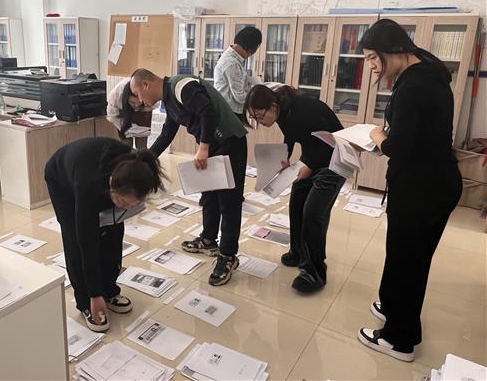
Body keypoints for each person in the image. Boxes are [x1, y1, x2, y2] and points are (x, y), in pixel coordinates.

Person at [357, 19, 463, 362]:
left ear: (393, 50)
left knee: (408, 261)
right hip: (431, 182)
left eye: (373, 58)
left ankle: (399, 340)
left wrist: (378, 137)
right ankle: (393, 307)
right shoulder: (426, 70)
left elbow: (399, 148)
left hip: (422, 189)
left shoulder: (413, 87)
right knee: (405, 256)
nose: (372, 67)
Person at [130, 68, 247, 286]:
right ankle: (208, 240)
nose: (139, 100)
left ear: (146, 84)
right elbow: (167, 133)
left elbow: (207, 112)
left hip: (229, 142)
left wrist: (203, 147)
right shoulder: (169, 100)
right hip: (214, 145)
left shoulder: (182, 86)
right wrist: (144, 159)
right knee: (209, 195)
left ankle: (228, 256)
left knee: (229, 202)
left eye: (138, 93)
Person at [44, 138, 164, 332]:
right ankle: (85, 301)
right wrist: (94, 295)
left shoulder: (133, 169)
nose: (126, 207)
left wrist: (121, 204)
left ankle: (109, 290)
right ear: (111, 186)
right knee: (76, 239)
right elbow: (87, 244)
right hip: (61, 178)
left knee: (113, 232)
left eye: (131, 204)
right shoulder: (89, 187)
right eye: (122, 202)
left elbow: (115, 225)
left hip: (92, 168)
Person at [244, 84, 345, 293]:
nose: (260, 122)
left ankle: (314, 272)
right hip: (314, 157)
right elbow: (290, 134)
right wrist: (285, 158)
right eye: (255, 119)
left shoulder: (303, 109)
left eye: (260, 116)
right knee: (297, 200)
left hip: (336, 160)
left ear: (272, 106)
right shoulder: (282, 110)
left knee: (313, 212)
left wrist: (309, 165)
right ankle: (299, 253)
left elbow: (332, 142)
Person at [214, 26, 263, 119]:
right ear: (249, 48)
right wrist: (259, 99)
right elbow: (240, 97)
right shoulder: (231, 63)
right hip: (230, 112)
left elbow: (238, 78)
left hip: (229, 109)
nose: (251, 55)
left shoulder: (234, 57)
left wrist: (253, 81)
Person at [106, 79, 153, 150]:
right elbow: (112, 117)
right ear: (126, 98)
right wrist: (125, 128)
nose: (136, 105)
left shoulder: (148, 92)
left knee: (142, 146)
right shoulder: (116, 95)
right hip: (123, 112)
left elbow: (154, 105)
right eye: (133, 102)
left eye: (139, 102)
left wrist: (142, 108)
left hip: (142, 110)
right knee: (126, 146)